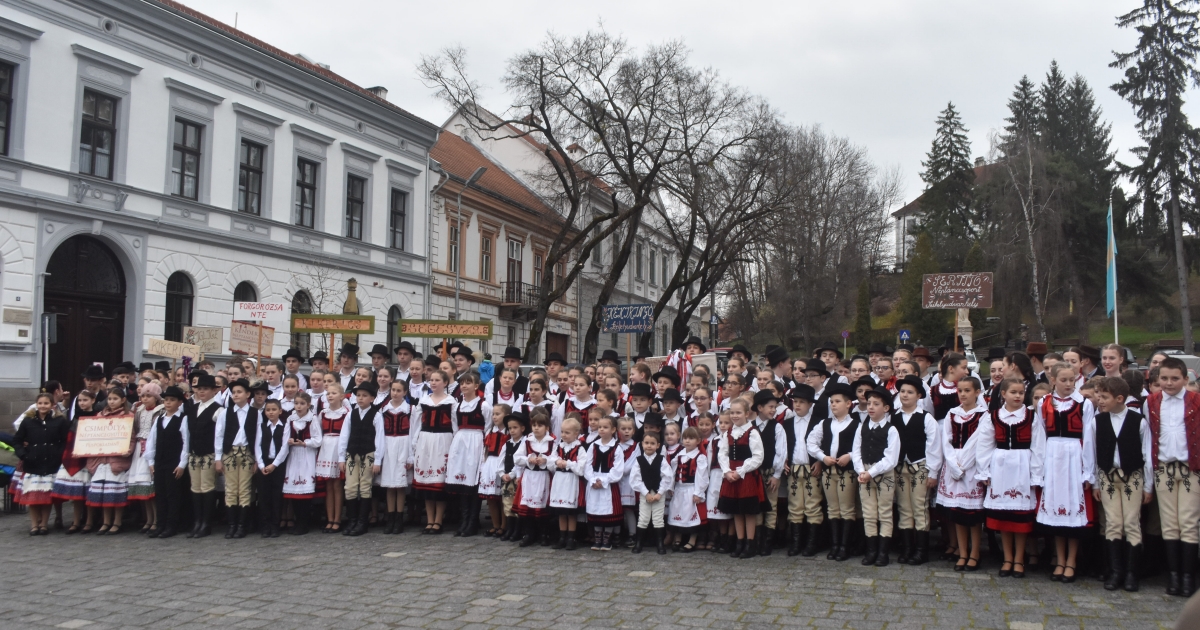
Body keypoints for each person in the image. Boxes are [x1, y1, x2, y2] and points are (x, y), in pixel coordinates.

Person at [976, 379, 1044, 580]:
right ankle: (1007, 558)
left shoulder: (1031, 416)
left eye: (1021, 393)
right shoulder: (993, 417)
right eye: (1013, 392)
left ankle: (1019, 558)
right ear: (1003, 394)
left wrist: (1036, 474)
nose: (1017, 396)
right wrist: (984, 471)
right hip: (1001, 468)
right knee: (1004, 517)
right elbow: (984, 445)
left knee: (1020, 517)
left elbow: (1039, 448)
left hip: (1023, 467)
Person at [1144, 356, 1200, 597]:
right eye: (1164, 378)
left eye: (1175, 379)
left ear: (1185, 379)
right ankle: (1174, 577)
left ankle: (1188, 578)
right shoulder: (1152, 402)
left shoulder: (1197, 401)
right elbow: (1149, 438)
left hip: (1190, 468)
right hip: (1164, 468)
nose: (1169, 383)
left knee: (1188, 522)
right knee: (1169, 524)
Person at [1091, 376, 1153, 592]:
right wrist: (1094, 482)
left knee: (1131, 523)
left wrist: (1148, 486)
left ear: (1119, 398)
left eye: (1104, 397)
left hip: (1132, 477)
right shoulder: (1097, 422)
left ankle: (1131, 573)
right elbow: (1090, 453)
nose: (1100, 400)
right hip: (1107, 476)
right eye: (1099, 396)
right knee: (1113, 522)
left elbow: (1147, 454)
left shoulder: (1138, 421)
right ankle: (1116, 571)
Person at [1035, 363, 1096, 583]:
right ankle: (1059, 559)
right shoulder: (1044, 403)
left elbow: (1089, 439)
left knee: (1072, 511)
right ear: (1053, 380)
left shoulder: (1084, 404)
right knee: (1056, 513)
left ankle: (1071, 560)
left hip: (1074, 456)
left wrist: (1087, 471)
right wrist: (1038, 469)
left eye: (1072, 380)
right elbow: (1040, 436)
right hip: (1052, 456)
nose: (1069, 384)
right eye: (1064, 380)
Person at [937, 377, 988, 572]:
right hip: (953, 465)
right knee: (957, 513)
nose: (963, 394)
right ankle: (962, 552)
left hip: (971, 466)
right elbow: (946, 441)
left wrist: (963, 465)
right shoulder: (952, 413)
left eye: (968, 390)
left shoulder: (983, 415)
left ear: (977, 392)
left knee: (973, 516)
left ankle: (975, 553)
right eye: (960, 391)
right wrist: (953, 464)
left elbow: (978, 442)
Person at [892, 375, 942, 566]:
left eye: (910, 392)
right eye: (902, 391)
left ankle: (922, 551)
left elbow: (934, 446)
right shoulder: (894, 416)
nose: (905, 395)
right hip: (900, 467)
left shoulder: (926, 418)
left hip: (920, 466)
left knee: (919, 506)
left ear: (919, 395)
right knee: (904, 507)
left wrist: (932, 472)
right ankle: (907, 548)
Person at [807, 383, 860, 561]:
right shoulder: (825, 423)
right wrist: (823, 457)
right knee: (832, 509)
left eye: (837, 401)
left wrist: (850, 456)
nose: (833, 404)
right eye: (831, 401)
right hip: (829, 472)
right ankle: (835, 545)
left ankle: (845, 546)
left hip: (847, 472)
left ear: (848, 404)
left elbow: (862, 446)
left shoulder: (857, 424)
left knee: (847, 509)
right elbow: (811, 443)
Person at [853, 387, 901, 566]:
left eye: (876, 404)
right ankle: (871, 551)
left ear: (886, 408)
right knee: (869, 513)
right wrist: (861, 471)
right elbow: (856, 451)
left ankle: (883, 552)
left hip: (883, 474)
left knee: (885, 512)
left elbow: (891, 458)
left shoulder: (891, 430)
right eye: (869, 404)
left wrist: (871, 472)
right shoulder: (862, 427)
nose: (871, 407)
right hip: (864, 472)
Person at [716, 398, 766, 559]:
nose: (735, 416)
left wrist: (740, 471)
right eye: (732, 412)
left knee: (748, 511)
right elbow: (722, 453)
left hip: (747, 476)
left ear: (746, 413)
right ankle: (739, 542)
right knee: (736, 511)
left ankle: (750, 544)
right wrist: (727, 471)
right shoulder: (728, 433)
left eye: (738, 412)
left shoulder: (752, 432)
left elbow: (758, 457)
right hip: (731, 475)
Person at [14, 392, 69, 535]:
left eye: (46, 403)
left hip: (51, 462)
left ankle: (44, 524)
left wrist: (59, 453)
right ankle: (34, 525)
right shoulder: (28, 421)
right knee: (32, 497)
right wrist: (23, 454)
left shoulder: (60, 421)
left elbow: (65, 440)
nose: (43, 406)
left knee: (46, 497)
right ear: (36, 405)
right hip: (33, 462)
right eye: (40, 403)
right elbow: (17, 440)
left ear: (52, 405)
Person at [412, 370, 458, 534]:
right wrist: (415, 443)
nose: (433, 382)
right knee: (426, 485)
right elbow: (416, 424)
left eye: (437, 380)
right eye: (431, 380)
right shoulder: (423, 401)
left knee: (439, 484)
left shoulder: (451, 402)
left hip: (443, 441)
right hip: (425, 441)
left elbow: (455, 425)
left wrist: (454, 445)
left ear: (445, 383)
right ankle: (429, 520)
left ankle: (438, 520)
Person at [337, 382, 384, 537]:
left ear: (372, 398)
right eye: (358, 395)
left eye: (364, 396)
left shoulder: (376, 415)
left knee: (365, 486)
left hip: (368, 454)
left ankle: (362, 522)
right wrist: (341, 457)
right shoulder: (351, 414)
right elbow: (344, 436)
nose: (360, 398)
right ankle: (352, 520)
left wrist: (377, 460)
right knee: (350, 487)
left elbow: (379, 439)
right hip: (352, 454)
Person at [88, 387, 136, 534]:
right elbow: (92, 436)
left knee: (115, 492)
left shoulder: (128, 416)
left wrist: (128, 450)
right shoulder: (100, 415)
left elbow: (131, 437)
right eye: (110, 399)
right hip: (102, 460)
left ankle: (117, 521)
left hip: (117, 460)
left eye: (115, 399)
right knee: (104, 492)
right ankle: (106, 521)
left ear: (122, 400)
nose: (112, 401)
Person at [215, 379, 259, 539]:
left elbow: (258, 438)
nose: (236, 395)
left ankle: (242, 525)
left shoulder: (255, 413)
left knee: (245, 489)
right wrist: (218, 458)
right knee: (231, 489)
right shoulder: (225, 413)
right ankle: (232, 525)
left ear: (248, 394)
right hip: (230, 453)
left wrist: (257, 459)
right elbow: (218, 436)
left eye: (239, 392)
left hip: (247, 453)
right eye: (233, 392)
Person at [144, 385, 189, 539]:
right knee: (160, 494)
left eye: (172, 400)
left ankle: (172, 525)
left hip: (174, 462)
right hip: (160, 461)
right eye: (166, 400)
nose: (168, 403)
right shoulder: (159, 419)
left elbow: (185, 443)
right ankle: (160, 524)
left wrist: (182, 464)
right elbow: (152, 441)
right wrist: (151, 461)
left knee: (173, 495)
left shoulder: (183, 419)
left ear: (179, 403)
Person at [783, 384, 822, 556]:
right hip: (794, 467)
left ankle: (811, 543)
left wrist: (820, 462)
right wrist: (784, 460)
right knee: (795, 505)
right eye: (795, 401)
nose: (797, 405)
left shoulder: (818, 422)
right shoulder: (787, 423)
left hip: (811, 467)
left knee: (812, 504)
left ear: (810, 404)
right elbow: (783, 446)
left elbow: (823, 445)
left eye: (802, 402)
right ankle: (796, 542)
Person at [50, 388, 95, 534]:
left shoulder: (97, 416)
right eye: (80, 400)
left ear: (93, 401)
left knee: (88, 492)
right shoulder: (75, 416)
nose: (82, 403)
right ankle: (75, 522)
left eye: (85, 400)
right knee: (76, 494)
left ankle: (89, 521)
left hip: (89, 458)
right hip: (73, 456)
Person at [446, 373, 486, 537]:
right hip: (461, 442)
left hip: (476, 442)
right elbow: (455, 425)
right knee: (462, 483)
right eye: (462, 383)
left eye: (468, 383)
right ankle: (464, 521)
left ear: (476, 386)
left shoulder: (484, 405)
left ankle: (473, 522)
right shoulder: (457, 405)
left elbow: (488, 426)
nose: (464, 386)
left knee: (473, 482)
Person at [750, 389, 786, 556]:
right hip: (754, 474)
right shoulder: (750, 427)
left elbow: (781, 452)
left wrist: (777, 475)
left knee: (771, 506)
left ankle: (767, 543)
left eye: (775, 407)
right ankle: (756, 541)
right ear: (760, 407)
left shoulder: (777, 427)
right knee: (756, 505)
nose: (773, 410)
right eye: (770, 407)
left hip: (770, 471)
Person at [514, 408, 555, 547]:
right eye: (534, 425)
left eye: (540, 425)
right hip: (530, 477)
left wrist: (546, 460)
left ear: (547, 427)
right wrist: (528, 459)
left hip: (544, 477)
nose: (536, 428)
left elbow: (555, 460)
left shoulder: (552, 442)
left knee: (542, 507)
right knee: (528, 508)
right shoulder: (527, 441)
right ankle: (529, 534)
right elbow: (517, 458)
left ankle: (544, 534)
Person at [584, 415, 625, 551]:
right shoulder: (593, 446)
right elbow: (587, 465)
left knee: (608, 512)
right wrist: (592, 479)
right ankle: (597, 538)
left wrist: (605, 480)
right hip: (594, 482)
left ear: (613, 429)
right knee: (596, 509)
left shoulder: (617, 448)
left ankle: (607, 539)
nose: (601, 429)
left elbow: (618, 469)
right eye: (600, 427)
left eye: (605, 427)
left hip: (608, 484)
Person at [282, 391, 320, 535]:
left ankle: (304, 523)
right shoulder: (290, 419)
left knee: (305, 492)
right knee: (294, 493)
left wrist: (305, 443)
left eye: (302, 404)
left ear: (308, 405)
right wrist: (289, 442)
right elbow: (284, 437)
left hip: (306, 455)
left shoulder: (312, 419)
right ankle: (298, 521)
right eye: (296, 403)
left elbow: (318, 440)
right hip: (293, 456)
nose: (298, 406)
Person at [629, 431, 673, 554]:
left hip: (659, 493)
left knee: (658, 518)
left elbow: (667, 477)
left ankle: (660, 544)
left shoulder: (661, 460)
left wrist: (660, 493)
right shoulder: (639, 460)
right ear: (642, 444)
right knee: (643, 518)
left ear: (658, 445)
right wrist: (645, 493)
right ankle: (639, 543)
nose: (649, 446)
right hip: (645, 494)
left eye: (652, 443)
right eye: (647, 443)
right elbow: (635, 479)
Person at [547, 414, 586, 550]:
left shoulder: (580, 448)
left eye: (567, 432)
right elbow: (550, 461)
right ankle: (562, 537)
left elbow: (581, 468)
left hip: (571, 482)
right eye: (562, 432)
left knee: (570, 512)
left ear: (576, 433)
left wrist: (568, 463)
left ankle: (571, 538)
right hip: (559, 480)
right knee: (561, 511)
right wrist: (557, 462)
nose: (563, 435)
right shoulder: (558, 447)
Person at [378, 381, 412, 535]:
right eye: (393, 390)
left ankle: (399, 518)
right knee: (390, 485)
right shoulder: (383, 409)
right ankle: (390, 517)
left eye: (399, 390)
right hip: (388, 445)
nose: (395, 393)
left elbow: (413, 432)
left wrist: (411, 456)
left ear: (405, 392)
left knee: (400, 485)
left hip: (403, 445)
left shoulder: (410, 409)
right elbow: (379, 434)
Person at [668, 427, 709, 553]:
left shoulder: (700, 457)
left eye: (691, 438)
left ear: (698, 441)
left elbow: (701, 476)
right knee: (677, 513)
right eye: (685, 438)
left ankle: (692, 540)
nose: (687, 441)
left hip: (691, 489)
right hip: (679, 489)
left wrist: (698, 492)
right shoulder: (679, 456)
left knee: (691, 515)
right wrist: (671, 486)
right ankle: (678, 538)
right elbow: (672, 472)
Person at [315, 382, 349, 533]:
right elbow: (318, 432)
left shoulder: (346, 413)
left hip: (338, 446)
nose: (330, 396)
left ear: (342, 396)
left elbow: (347, 433)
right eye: (328, 393)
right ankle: (329, 519)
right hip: (326, 446)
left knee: (337, 485)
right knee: (328, 485)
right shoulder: (322, 413)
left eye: (333, 393)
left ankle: (337, 519)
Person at [256, 399, 292, 538]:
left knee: (276, 496)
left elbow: (285, 448)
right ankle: (265, 526)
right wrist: (261, 465)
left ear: (280, 411)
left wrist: (274, 465)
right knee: (264, 496)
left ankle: (275, 525)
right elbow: (257, 446)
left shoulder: (284, 427)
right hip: (264, 464)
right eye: (268, 410)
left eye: (273, 410)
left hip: (278, 465)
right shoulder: (262, 426)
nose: (271, 412)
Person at [129, 382, 161, 533]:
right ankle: (148, 519)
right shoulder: (139, 411)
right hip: (139, 448)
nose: (145, 399)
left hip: (151, 447)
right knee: (143, 487)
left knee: (151, 488)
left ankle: (156, 519)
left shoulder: (159, 412)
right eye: (143, 396)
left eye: (149, 396)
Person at [498, 412, 527, 541]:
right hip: (507, 480)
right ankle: (510, 529)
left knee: (518, 504)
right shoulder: (507, 444)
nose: (512, 431)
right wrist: (501, 474)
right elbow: (501, 460)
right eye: (510, 428)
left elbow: (520, 463)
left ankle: (518, 531)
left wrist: (511, 475)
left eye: (515, 428)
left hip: (518, 479)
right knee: (507, 504)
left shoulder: (525, 443)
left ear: (522, 428)